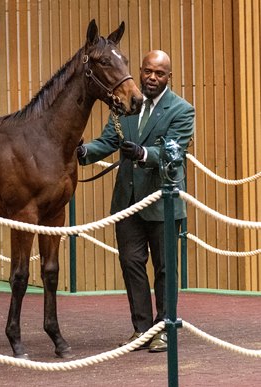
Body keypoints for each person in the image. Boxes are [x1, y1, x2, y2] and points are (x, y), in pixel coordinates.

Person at [77, 50, 195, 352]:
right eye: (148, 71)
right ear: (140, 72)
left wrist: (143, 154)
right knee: (131, 265)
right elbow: (107, 141)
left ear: (169, 77)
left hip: (162, 202)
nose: (152, 78)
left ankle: (165, 328)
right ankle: (142, 330)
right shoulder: (125, 104)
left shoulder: (182, 110)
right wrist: (82, 152)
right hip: (127, 203)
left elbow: (173, 151)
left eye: (159, 73)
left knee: (165, 269)